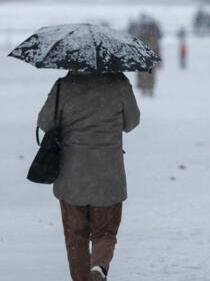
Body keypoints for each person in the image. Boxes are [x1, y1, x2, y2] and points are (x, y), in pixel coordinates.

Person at [37, 71, 141, 281]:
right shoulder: (119, 82)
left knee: (76, 236)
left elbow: (45, 122)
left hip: (72, 175)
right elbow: (132, 122)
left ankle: (82, 277)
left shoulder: (63, 85)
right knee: (105, 231)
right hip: (108, 175)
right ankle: (99, 266)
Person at [134, 16, 162, 96]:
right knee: (144, 75)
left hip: (148, 61)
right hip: (144, 60)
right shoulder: (143, 38)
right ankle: (145, 89)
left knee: (149, 76)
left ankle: (148, 89)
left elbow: (157, 50)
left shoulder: (152, 39)